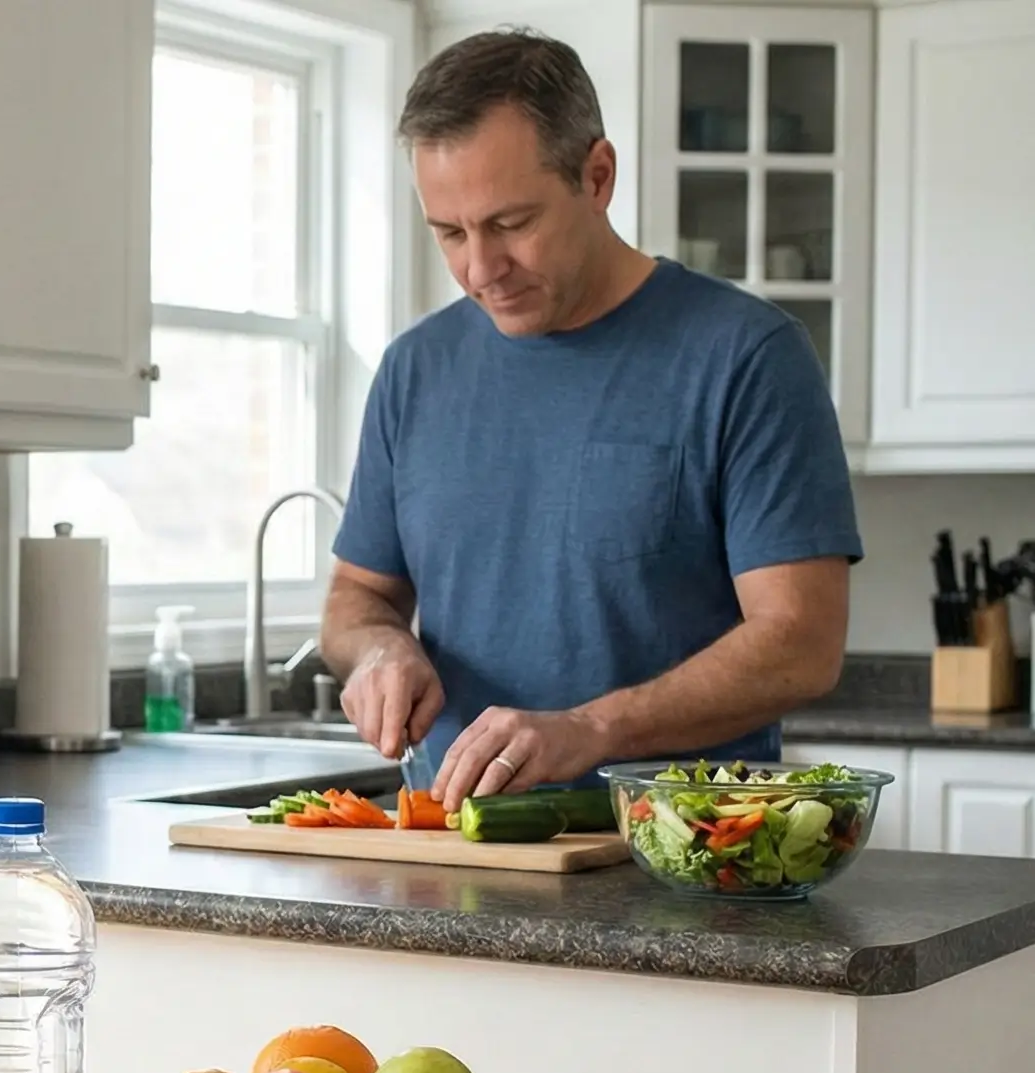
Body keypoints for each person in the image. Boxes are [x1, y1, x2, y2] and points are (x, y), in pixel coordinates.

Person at [321, 30, 862, 809]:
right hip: (455, 851)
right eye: (448, 232)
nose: (479, 269)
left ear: (597, 176)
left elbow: (802, 645)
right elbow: (354, 600)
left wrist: (592, 728)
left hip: (684, 854)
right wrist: (378, 652)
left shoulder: (747, 357)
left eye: (510, 224)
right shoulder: (415, 368)